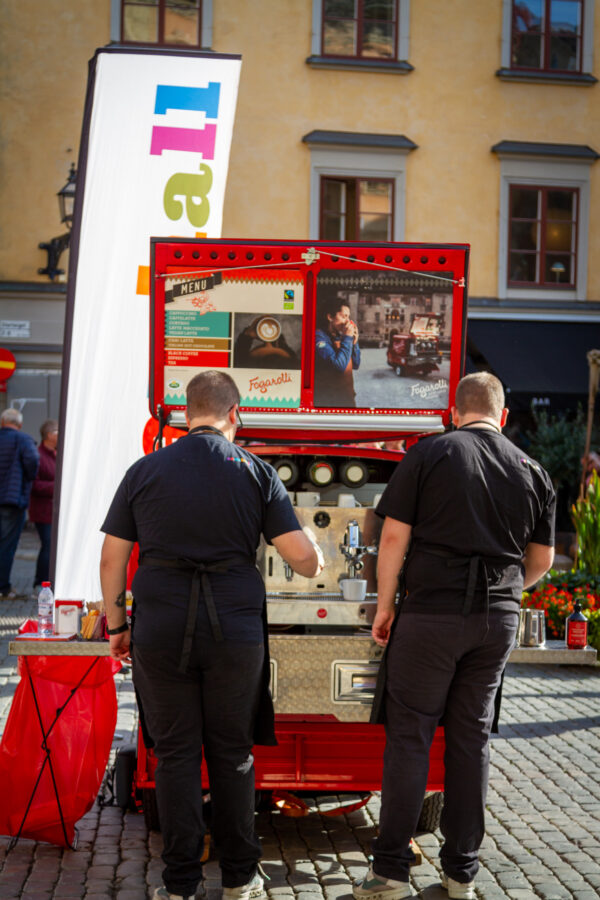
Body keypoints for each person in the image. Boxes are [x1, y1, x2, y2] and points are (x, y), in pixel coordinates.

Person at [99, 370, 324, 900]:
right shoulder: (256, 472)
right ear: (234, 415)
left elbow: (112, 558)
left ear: (184, 413)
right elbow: (306, 563)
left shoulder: (144, 470)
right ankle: (240, 877)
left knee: (175, 754)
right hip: (234, 629)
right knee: (232, 752)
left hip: (160, 624)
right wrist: (309, 536)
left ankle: (179, 883)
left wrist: (117, 625)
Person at [353, 373, 555, 900]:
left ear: (454, 410)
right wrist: (505, 592)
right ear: (503, 416)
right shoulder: (534, 470)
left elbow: (393, 535)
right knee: (472, 741)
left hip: (430, 614)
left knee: (411, 737)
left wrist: (385, 602)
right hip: (497, 621)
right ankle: (461, 873)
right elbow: (541, 561)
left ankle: (391, 872)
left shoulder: (429, 455)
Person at [0, 408, 39, 599]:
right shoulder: (22, 439)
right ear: (20, 424)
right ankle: (3, 587)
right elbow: (33, 461)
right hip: (11, 500)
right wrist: (28, 479)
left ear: (2, 423)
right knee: (6, 544)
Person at [314, 296, 360, 407]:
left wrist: (354, 343)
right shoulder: (319, 337)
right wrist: (348, 338)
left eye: (348, 317)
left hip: (347, 398)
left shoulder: (341, 337)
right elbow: (339, 366)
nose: (347, 321)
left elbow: (356, 364)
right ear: (330, 317)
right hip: (329, 401)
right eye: (343, 316)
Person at [28, 419, 58, 592]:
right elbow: (34, 484)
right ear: (49, 435)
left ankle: (47, 582)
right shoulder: (38, 456)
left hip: (52, 511)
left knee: (51, 546)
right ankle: (40, 583)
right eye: (57, 432)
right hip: (43, 511)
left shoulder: (55, 454)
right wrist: (57, 486)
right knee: (48, 545)